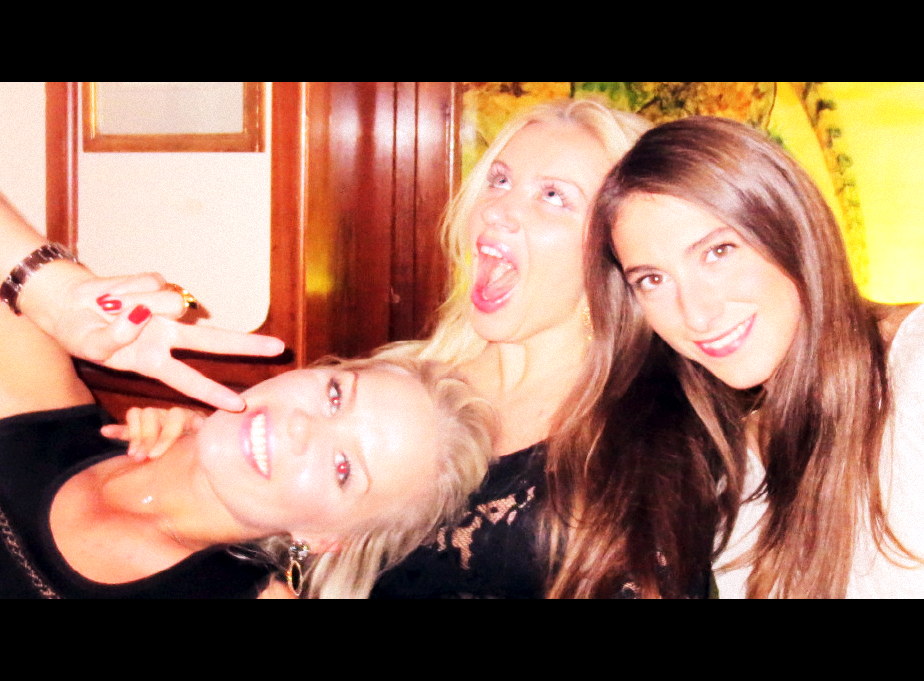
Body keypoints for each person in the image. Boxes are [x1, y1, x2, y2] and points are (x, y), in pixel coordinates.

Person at [111, 99, 718, 598]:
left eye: (554, 196)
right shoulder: (409, 382)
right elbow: (283, 525)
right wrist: (193, 456)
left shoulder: (636, 452)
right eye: (500, 180)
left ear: (614, 252)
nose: (498, 211)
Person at [0, 195, 496, 599]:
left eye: (344, 467)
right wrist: (55, 293)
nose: (303, 427)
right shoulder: (40, 411)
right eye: (334, 395)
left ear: (325, 540)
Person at [588, 114, 923, 598]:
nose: (696, 315)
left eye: (718, 251)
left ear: (788, 227)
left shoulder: (913, 367)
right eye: (653, 280)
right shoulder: (732, 472)